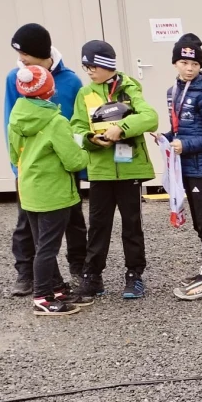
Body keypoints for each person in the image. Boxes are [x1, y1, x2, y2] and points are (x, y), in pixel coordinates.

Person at [4, 23, 87, 298]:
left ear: (41, 53)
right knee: (27, 224)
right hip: (32, 170)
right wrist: (18, 167)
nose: (21, 60)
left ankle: (77, 268)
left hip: (63, 166)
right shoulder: (15, 77)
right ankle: (27, 275)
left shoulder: (71, 81)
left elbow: (79, 121)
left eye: (25, 54)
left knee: (73, 220)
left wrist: (80, 165)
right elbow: (12, 121)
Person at [71, 40, 159, 301]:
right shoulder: (84, 94)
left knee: (132, 224)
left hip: (129, 169)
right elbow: (75, 127)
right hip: (100, 170)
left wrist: (122, 128)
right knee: (98, 225)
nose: (89, 71)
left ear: (107, 65)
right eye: (85, 66)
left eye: (93, 65)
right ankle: (92, 276)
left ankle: (134, 275)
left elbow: (150, 117)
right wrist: (90, 139)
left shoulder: (129, 88)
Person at [163, 33, 202, 300]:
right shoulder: (173, 92)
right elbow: (181, 129)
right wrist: (166, 138)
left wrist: (185, 146)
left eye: (195, 64)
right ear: (175, 63)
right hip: (183, 168)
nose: (189, 68)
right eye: (184, 62)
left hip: (201, 167)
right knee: (199, 222)